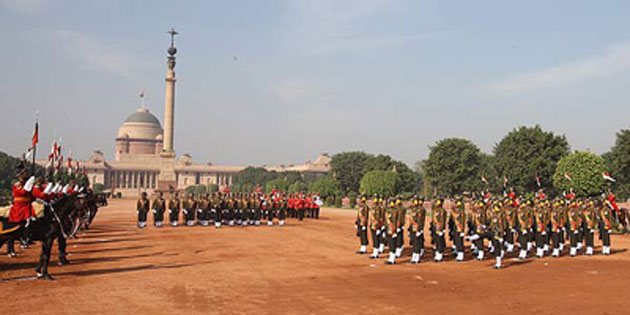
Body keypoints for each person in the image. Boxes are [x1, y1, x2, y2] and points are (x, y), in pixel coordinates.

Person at [408, 196, 426, 264]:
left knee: (417, 242)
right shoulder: (413, 209)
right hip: (413, 227)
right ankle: (414, 256)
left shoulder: (420, 210)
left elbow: (421, 220)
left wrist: (420, 229)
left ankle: (417, 256)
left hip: (417, 227)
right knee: (414, 241)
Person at [432, 198, 447, 262]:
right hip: (435, 227)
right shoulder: (435, 210)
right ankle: (437, 254)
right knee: (436, 241)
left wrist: (442, 228)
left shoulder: (442, 211)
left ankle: (440, 255)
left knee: (440, 241)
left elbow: (443, 220)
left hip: (439, 228)